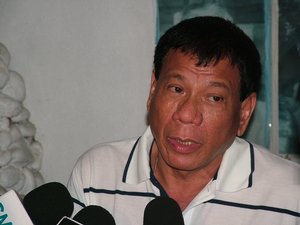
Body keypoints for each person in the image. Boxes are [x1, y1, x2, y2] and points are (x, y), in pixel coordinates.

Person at [67, 16, 300, 225]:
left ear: (244, 112)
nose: (187, 115)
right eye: (177, 89)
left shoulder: (291, 196)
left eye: (214, 98)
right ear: (153, 91)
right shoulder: (97, 174)